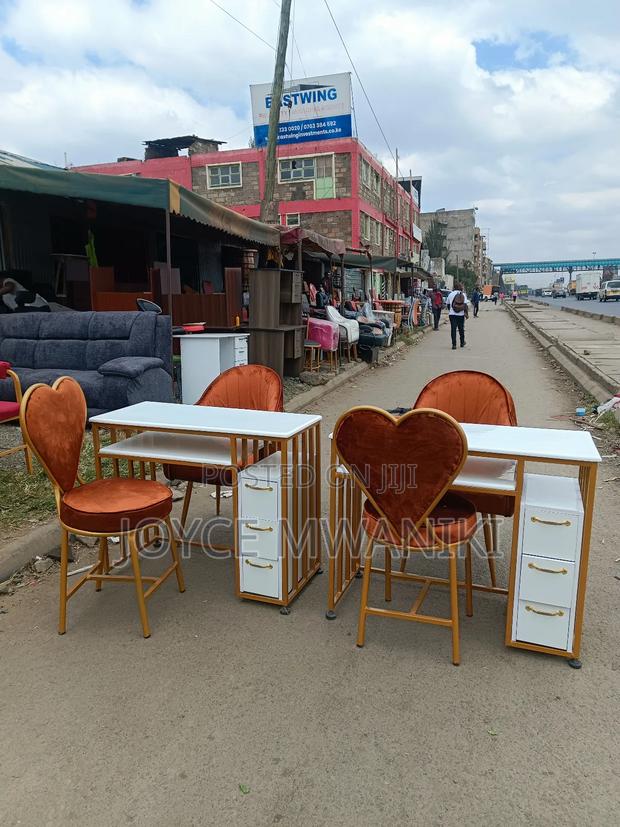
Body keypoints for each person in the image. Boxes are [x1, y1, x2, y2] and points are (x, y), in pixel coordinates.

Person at [445, 282, 468, 349]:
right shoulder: (463, 294)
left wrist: (451, 310)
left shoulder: (450, 294)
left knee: (453, 329)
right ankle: (462, 342)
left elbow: (448, 304)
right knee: (461, 328)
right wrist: (466, 313)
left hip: (452, 314)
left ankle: (454, 344)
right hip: (461, 314)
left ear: (454, 287)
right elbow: (465, 305)